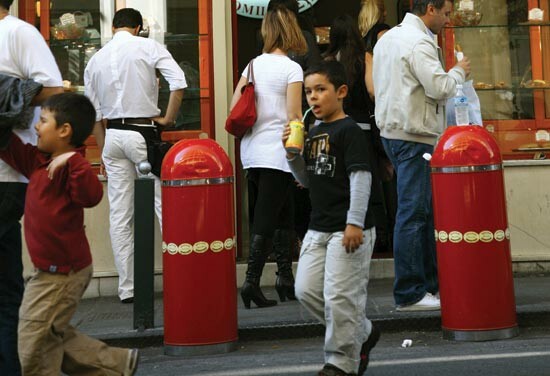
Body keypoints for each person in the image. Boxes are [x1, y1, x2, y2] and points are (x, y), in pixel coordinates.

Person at [0, 93, 139, 376]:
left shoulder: (71, 168)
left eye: (42, 121)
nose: (36, 127)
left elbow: (92, 195)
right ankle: (116, 364)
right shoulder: (36, 162)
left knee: (32, 347)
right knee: (47, 334)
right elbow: (8, 145)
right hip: (46, 273)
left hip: (64, 273)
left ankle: (114, 364)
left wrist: (71, 161)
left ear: (64, 131)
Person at [373, 0, 471, 311]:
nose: (447, 19)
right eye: (445, 13)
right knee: (414, 214)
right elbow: (440, 87)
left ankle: (428, 287)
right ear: (430, 8)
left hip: (393, 132)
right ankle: (411, 293)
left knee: (421, 212)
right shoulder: (418, 42)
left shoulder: (387, 39)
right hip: (416, 135)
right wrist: (459, 72)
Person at [84, 8, 187, 303]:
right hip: (143, 133)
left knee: (120, 214)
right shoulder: (148, 46)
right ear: (139, 27)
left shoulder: (96, 60)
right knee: (161, 205)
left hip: (113, 137)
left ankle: (127, 288)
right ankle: (179, 275)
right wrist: (168, 118)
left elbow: (95, 114)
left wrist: (103, 148)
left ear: (114, 28)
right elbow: (179, 82)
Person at [284, 61, 379, 376]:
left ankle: (340, 363)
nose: (313, 97)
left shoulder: (349, 130)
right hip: (318, 227)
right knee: (307, 290)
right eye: (309, 91)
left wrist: (354, 222)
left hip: (348, 228)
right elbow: (308, 180)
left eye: (320, 90)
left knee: (341, 297)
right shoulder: (314, 131)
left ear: (341, 92)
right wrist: (292, 156)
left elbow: (361, 178)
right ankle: (362, 332)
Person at [0, 1, 63, 374]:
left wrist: (9, 92)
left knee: (6, 289)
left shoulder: (18, 32)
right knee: (6, 282)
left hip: (7, 172)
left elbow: (53, 89)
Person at [229, 4, 306, 308]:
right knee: (266, 219)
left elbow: (235, 104)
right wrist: (299, 156)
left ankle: (285, 279)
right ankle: (251, 283)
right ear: (291, 32)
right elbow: (295, 116)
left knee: (283, 214)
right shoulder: (291, 68)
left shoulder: (252, 66)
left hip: (251, 151)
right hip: (277, 152)